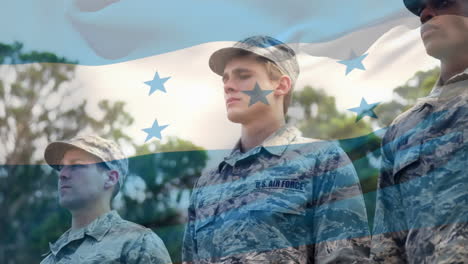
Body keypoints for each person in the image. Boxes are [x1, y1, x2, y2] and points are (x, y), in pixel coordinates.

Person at [182, 35, 370, 263]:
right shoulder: (207, 184)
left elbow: (345, 258)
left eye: (243, 76)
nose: (229, 86)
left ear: (281, 85)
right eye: (226, 79)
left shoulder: (322, 160)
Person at [371, 0, 468, 263]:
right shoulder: (403, 128)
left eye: (443, 2)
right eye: (419, 10)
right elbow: (387, 246)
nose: (425, 14)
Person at [40, 135, 172, 264]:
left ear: (110, 178)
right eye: (61, 167)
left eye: (76, 165)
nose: (62, 174)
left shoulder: (138, 244)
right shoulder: (50, 259)